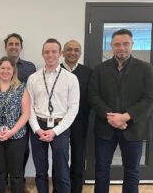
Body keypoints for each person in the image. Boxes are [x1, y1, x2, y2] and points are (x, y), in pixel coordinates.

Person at [89, 29, 153, 193]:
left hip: (133, 128)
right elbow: (93, 96)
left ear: (132, 45)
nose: (121, 48)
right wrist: (111, 117)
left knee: (132, 171)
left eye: (125, 44)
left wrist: (125, 117)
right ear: (111, 46)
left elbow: (149, 98)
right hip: (105, 128)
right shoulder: (99, 69)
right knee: (101, 169)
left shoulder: (145, 68)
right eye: (117, 44)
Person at [26, 38, 79, 193]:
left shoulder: (70, 78)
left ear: (60, 54)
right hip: (38, 127)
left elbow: (73, 108)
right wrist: (36, 129)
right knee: (41, 171)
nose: (50, 55)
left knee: (62, 171)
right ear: (42, 54)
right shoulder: (33, 78)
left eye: (54, 52)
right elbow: (29, 108)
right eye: (47, 52)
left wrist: (55, 131)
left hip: (60, 127)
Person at [0, 56, 31, 193]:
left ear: (13, 70)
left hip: (16, 137)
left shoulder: (21, 88)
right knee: (0, 172)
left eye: (9, 68)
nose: (5, 71)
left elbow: (26, 113)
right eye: (2, 68)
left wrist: (12, 131)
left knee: (16, 174)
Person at [4, 33, 36, 189]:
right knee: (3, 151)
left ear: (21, 47)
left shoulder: (30, 67)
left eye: (17, 44)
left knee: (23, 151)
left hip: (25, 116)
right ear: (6, 47)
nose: (14, 46)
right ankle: (4, 182)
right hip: (3, 117)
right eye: (11, 44)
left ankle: (19, 182)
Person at [60, 40, 92, 193]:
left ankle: (76, 190)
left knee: (78, 158)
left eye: (76, 50)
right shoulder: (56, 70)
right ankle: (59, 189)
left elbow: (91, 97)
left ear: (80, 53)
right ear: (63, 53)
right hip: (59, 123)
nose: (72, 52)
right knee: (60, 158)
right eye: (69, 49)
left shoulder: (88, 72)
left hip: (80, 122)